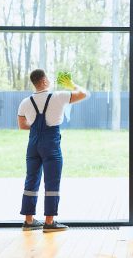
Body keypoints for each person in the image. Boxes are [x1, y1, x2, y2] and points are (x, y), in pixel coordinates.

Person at [17, 69, 88, 232]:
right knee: (52, 181)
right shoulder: (58, 96)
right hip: (51, 144)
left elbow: (22, 126)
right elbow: (83, 94)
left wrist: (36, 129)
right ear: (43, 81)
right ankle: (49, 222)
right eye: (47, 78)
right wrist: (71, 84)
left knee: (31, 180)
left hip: (33, 144)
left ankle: (28, 221)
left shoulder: (25, 102)